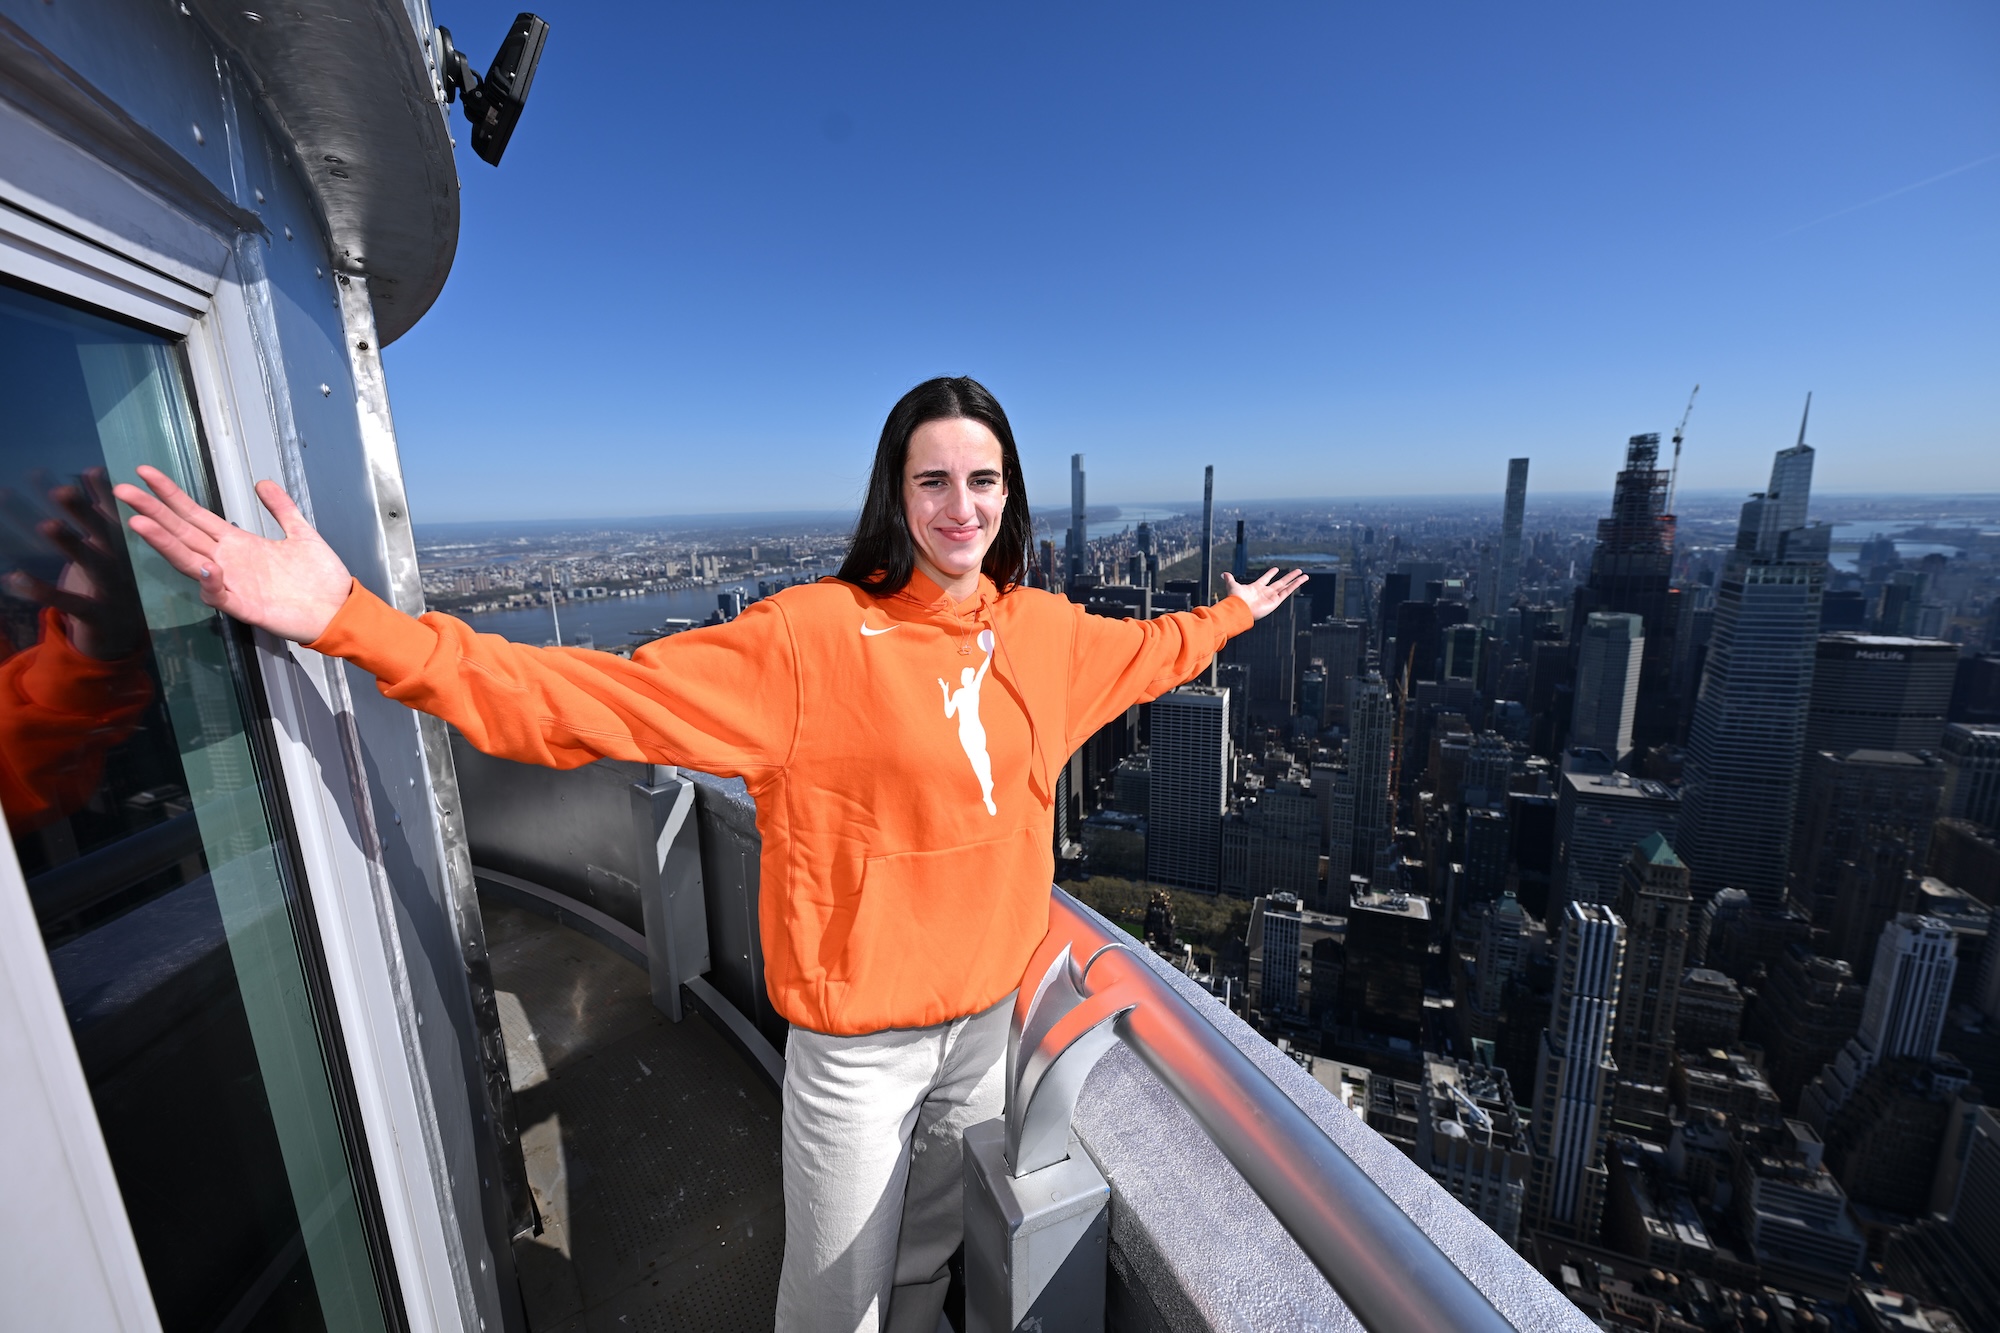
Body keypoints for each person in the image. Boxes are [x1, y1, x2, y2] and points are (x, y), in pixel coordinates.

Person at [114, 376, 1304, 1333]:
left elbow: (1151, 652)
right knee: (833, 1301)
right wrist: (347, 618)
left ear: (1011, 494)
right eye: (931, 478)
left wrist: (1233, 618)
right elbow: (584, 699)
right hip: (856, 1049)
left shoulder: (1043, 633)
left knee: (928, 1271)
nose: (960, 505)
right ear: (894, 492)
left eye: (981, 479)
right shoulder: (809, 640)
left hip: (984, 1027)